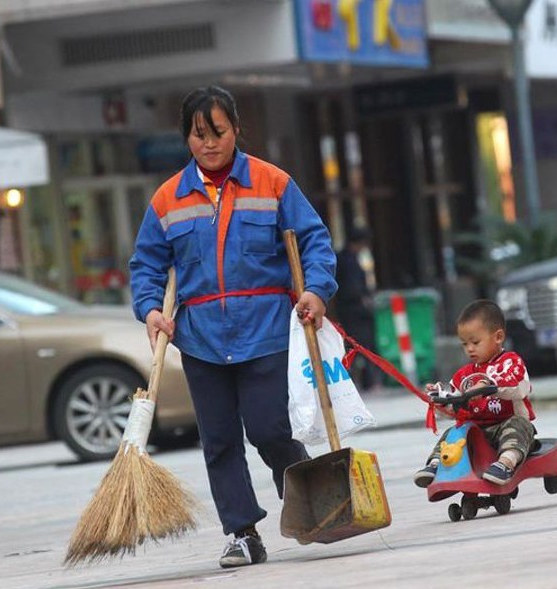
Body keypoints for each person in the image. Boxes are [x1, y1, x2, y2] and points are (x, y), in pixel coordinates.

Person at [129, 86, 337, 569]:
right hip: (200, 339)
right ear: (186, 138)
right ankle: (242, 533)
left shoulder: (273, 183)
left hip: (265, 330)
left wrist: (317, 291)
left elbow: (315, 242)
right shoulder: (168, 199)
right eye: (198, 135)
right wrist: (150, 309)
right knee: (220, 442)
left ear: (236, 129)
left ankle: (305, 498)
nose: (209, 143)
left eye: (218, 132)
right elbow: (147, 264)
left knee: (269, 429)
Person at [413, 299, 537, 488]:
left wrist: (488, 385)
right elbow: (454, 403)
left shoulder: (510, 363)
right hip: (478, 430)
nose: (469, 348)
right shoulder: (464, 374)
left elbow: (519, 386)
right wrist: (440, 398)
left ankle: (505, 464)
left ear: (498, 337)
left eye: (475, 342)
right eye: (464, 344)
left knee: (518, 426)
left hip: (506, 423)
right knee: (453, 432)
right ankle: (436, 464)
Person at [334, 225, 381, 392]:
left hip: (349, 309)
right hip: (354, 310)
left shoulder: (345, 258)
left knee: (356, 345)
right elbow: (353, 287)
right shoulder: (348, 260)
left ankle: (363, 379)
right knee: (361, 345)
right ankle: (366, 380)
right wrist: (363, 300)